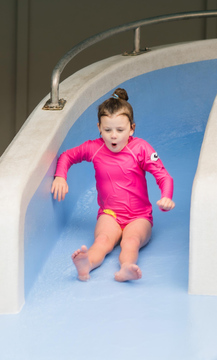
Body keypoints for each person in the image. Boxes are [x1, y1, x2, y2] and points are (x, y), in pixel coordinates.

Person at [51, 88, 175, 282]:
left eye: (120, 130)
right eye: (107, 130)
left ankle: (126, 268)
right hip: (110, 214)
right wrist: (60, 176)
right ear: (99, 127)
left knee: (131, 241)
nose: (113, 136)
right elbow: (67, 156)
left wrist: (166, 196)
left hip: (139, 217)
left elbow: (164, 177)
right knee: (102, 241)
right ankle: (86, 265)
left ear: (132, 128)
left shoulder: (140, 148)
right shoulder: (95, 148)